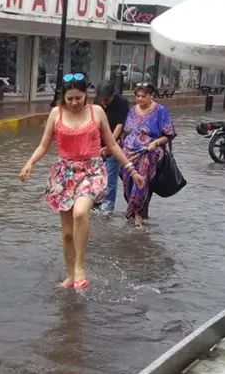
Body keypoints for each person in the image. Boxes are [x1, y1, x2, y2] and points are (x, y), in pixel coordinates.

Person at [19, 74, 144, 291]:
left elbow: (113, 145)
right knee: (67, 233)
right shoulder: (55, 114)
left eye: (78, 98)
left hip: (91, 171)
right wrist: (29, 163)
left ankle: (79, 267)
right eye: (70, 99)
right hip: (65, 174)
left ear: (86, 95)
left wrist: (131, 170)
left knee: (80, 213)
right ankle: (70, 275)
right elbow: (43, 145)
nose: (74, 103)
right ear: (63, 98)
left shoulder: (96, 112)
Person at [120, 82, 176, 227]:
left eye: (143, 96)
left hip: (149, 152)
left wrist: (155, 144)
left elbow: (168, 134)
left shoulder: (161, 111)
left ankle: (138, 216)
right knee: (127, 183)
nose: (140, 99)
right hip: (129, 153)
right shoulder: (132, 110)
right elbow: (125, 131)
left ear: (151, 96)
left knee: (142, 183)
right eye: (137, 96)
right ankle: (134, 211)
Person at [94, 80, 130, 213]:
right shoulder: (96, 101)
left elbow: (120, 126)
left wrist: (110, 144)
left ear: (113, 96)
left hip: (114, 144)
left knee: (110, 177)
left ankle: (108, 208)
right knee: (96, 176)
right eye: (101, 99)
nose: (103, 103)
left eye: (106, 100)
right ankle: (95, 203)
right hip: (97, 145)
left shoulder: (122, 102)